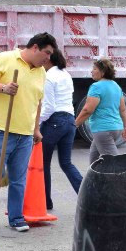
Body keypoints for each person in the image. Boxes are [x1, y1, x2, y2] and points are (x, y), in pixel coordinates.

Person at [0, 32, 57, 232]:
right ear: (35, 48)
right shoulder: (6, 59)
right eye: (46, 53)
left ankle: (16, 217)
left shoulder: (41, 72)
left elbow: (38, 101)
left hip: (25, 133)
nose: (48, 58)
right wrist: (4, 88)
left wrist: (36, 128)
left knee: (18, 178)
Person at [39, 48, 83, 210]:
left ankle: (46, 201)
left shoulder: (49, 77)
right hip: (70, 121)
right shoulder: (65, 74)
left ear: (49, 60)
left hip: (54, 121)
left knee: (44, 163)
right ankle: (86, 195)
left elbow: (49, 107)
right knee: (66, 163)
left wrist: (37, 123)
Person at [75, 58, 126, 163]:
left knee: (114, 164)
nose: (91, 71)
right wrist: (125, 126)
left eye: (94, 69)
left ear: (102, 72)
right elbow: (123, 109)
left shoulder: (96, 87)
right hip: (116, 128)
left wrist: (75, 124)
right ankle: (93, 179)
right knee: (94, 161)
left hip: (103, 130)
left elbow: (87, 110)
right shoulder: (116, 86)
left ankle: (125, 179)